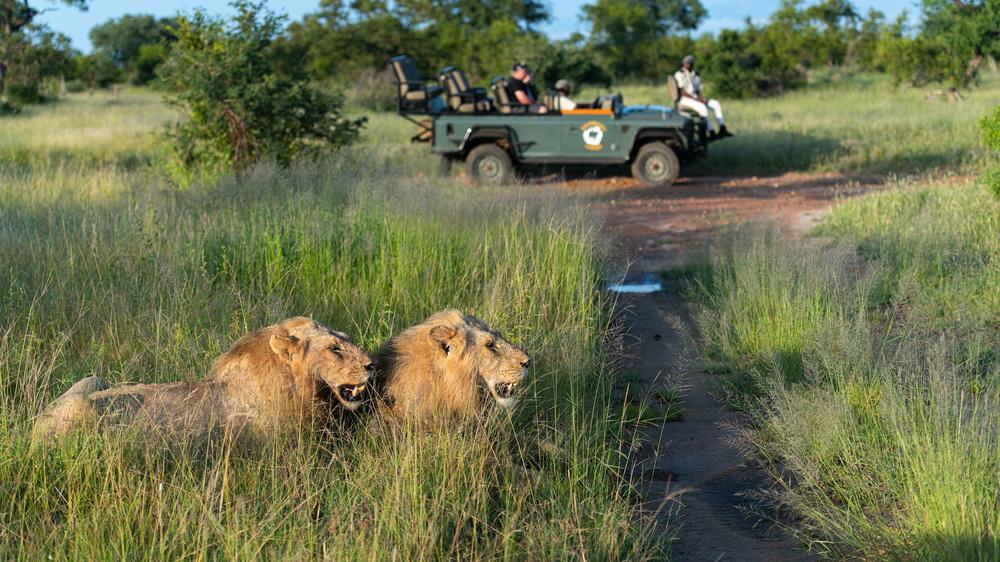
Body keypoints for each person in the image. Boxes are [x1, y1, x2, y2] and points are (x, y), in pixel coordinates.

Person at [674, 55, 731, 138]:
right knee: (702, 108)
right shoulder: (679, 74)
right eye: (686, 63)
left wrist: (702, 98)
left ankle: (722, 128)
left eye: (689, 63)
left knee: (715, 104)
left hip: (695, 97)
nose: (688, 65)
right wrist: (697, 99)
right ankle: (710, 132)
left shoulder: (696, 74)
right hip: (684, 99)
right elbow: (682, 92)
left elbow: (698, 90)